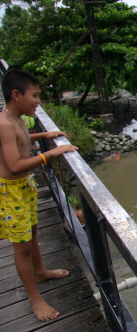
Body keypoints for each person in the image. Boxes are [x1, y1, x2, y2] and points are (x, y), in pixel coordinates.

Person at [0, 67, 78, 321]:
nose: (38, 102)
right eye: (35, 96)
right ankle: (35, 299)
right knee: (21, 248)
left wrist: (44, 135)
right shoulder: (3, 123)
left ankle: (40, 271)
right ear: (16, 95)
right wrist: (48, 154)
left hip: (24, 187)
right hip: (11, 193)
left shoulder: (15, 118)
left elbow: (21, 139)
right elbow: (13, 165)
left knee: (32, 232)